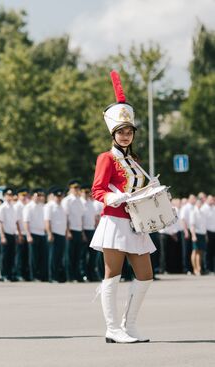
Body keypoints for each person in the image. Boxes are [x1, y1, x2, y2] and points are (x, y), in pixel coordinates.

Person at [90, 71, 157, 344]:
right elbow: (97, 190)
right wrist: (114, 198)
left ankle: (129, 325)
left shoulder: (136, 160)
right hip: (115, 222)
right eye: (122, 132)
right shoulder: (106, 157)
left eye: (129, 132)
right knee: (112, 275)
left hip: (137, 224)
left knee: (146, 275)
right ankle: (111, 328)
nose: (126, 136)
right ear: (113, 133)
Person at [62, 180, 86, 282]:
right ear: (70, 189)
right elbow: (65, 217)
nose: (76, 190)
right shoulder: (67, 200)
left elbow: (81, 217)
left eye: (78, 188)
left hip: (78, 230)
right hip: (70, 230)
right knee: (69, 255)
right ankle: (69, 276)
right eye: (74, 188)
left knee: (77, 255)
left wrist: (82, 232)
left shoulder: (80, 201)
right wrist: (67, 231)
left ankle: (77, 276)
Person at [23, 188, 48, 282]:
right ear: (32, 196)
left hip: (42, 233)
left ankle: (41, 275)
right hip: (33, 233)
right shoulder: (28, 207)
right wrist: (28, 235)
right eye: (37, 195)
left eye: (41, 195)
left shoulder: (42, 206)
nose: (39, 197)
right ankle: (33, 275)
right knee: (33, 257)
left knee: (42, 256)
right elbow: (26, 222)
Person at [44, 186, 67, 283]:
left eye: (60, 196)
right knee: (53, 257)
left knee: (59, 256)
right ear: (53, 196)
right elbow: (47, 221)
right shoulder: (49, 206)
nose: (59, 198)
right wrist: (49, 233)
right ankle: (52, 277)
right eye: (57, 196)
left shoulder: (62, 206)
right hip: (54, 234)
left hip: (61, 234)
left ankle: (58, 276)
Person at [0, 188, 18, 282]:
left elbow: (15, 222)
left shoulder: (13, 207)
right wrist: (2, 236)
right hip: (5, 234)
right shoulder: (2, 207)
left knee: (11, 255)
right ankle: (4, 274)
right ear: (4, 196)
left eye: (11, 195)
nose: (10, 197)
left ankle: (10, 274)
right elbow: (0, 222)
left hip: (12, 233)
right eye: (8, 195)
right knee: (4, 256)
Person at [189, 199, 207, 276]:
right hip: (196, 233)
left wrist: (206, 235)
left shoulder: (202, 212)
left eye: (201, 203)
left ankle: (199, 268)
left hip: (202, 234)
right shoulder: (193, 212)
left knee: (200, 252)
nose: (200, 204)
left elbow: (204, 225)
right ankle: (195, 269)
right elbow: (192, 225)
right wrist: (193, 235)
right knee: (195, 251)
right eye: (198, 203)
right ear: (196, 204)